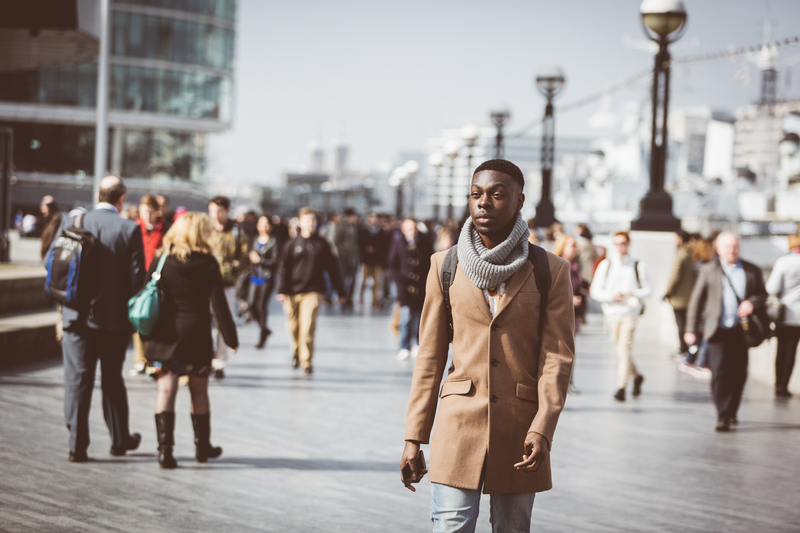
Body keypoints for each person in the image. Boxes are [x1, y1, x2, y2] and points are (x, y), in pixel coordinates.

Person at [400, 159, 575, 533]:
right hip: (457, 424)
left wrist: (543, 428)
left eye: (498, 195)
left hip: (520, 431)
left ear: (519, 201)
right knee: (451, 526)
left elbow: (557, 358)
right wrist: (414, 436)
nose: (484, 203)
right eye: (476, 194)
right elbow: (430, 357)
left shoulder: (550, 270)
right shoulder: (444, 265)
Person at [59, 176, 145, 462]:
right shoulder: (129, 229)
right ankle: (119, 440)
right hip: (112, 320)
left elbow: (57, 267)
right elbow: (137, 281)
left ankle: (76, 444)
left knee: (77, 379)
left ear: (98, 194)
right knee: (112, 380)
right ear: (122, 198)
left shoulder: (74, 223)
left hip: (75, 316)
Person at [144, 213, 239, 468]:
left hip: (166, 335)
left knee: (166, 390)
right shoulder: (208, 263)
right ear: (199, 233)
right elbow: (219, 306)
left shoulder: (163, 259)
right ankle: (202, 448)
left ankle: (165, 451)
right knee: (199, 390)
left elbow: (146, 291)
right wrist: (231, 338)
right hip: (196, 335)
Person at [685, 232, 768, 431]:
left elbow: (762, 295)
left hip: (742, 330)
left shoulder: (751, 270)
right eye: (728, 246)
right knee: (719, 373)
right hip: (717, 330)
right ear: (718, 249)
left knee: (739, 373)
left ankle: (732, 411)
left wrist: (750, 303)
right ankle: (722, 414)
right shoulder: (708, 270)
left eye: (735, 246)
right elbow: (696, 300)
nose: (732, 250)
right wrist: (690, 329)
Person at [277, 207, 345, 374]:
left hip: (314, 291)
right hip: (292, 291)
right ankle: (296, 350)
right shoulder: (291, 244)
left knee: (307, 327)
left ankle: (306, 361)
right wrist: (282, 289)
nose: (310, 224)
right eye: (307, 220)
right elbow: (283, 268)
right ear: (300, 222)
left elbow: (333, 269)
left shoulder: (322, 244)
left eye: (313, 221)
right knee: (293, 327)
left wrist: (340, 291)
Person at [590, 231, 651, 401]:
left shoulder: (638, 265)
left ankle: (621, 386)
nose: (620, 247)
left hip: (630, 313)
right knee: (621, 351)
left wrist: (633, 293)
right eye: (616, 243)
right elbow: (595, 291)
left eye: (623, 243)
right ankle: (637, 376)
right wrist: (611, 296)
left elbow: (648, 289)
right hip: (612, 313)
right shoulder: (606, 265)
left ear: (628, 244)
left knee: (625, 349)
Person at [207, 196, 248, 379]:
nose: (216, 215)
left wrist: (233, 268)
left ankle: (219, 362)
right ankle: (206, 356)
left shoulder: (237, 232)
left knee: (221, 322)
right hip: (205, 285)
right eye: (212, 211)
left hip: (226, 284)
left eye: (220, 211)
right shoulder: (206, 231)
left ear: (227, 211)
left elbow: (246, 257)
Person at [130, 194, 167, 376]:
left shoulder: (166, 228)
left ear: (157, 212)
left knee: (155, 318)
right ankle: (140, 359)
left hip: (157, 279)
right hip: (138, 278)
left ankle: (152, 358)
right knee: (138, 316)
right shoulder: (134, 228)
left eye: (150, 212)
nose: (146, 216)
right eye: (143, 211)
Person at [387, 217, 432, 361]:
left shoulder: (425, 243)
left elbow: (431, 262)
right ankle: (404, 346)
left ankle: (417, 343)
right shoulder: (398, 244)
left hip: (421, 287)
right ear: (403, 229)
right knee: (405, 317)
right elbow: (392, 265)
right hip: (405, 289)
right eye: (409, 228)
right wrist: (400, 280)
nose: (412, 231)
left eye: (414, 227)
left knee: (420, 318)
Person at [765, 234, 800, 397]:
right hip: (798, 317)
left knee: (781, 349)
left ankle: (778, 383)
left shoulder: (784, 262)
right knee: (791, 350)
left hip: (784, 314)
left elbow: (771, 287)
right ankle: (785, 385)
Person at [554, 234, 585, 394]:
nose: (575, 247)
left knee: (570, 349)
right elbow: (552, 290)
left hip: (574, 314)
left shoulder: (576, 266)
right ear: (563, 246)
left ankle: (568, 382)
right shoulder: (557, 264)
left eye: (575, 245)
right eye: (571, 245)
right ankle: (558, 381)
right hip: (559, 314)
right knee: (559, 349)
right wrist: (569, 299)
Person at [248, 216, 279, 349]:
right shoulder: (255, 239)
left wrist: (259, 260)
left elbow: (275, 261)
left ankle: (262, 335)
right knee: (251, 304)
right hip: (255, 275)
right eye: (260, 223)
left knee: (261, 306)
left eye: (266, 224)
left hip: (267, 277)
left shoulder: (274, 241)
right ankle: (264, 328)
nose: (263, 226)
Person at [664, 230, 695, 360]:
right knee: (689, 325)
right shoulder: (692, 252)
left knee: (681, 325)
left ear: (681, 238)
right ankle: (689, 351)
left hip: (680, 297)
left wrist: (668, 292)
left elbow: (675, 276)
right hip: (691, 296)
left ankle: (683, 350)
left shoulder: (681, 254)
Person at [358, 212, 389, 308]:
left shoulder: (381, 232)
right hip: (366, 260)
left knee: (377, 282)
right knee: (363, 281)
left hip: (377, 260)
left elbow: (384, 246)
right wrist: (365, 249)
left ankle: (375, 301)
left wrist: (376, 250)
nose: (373, 220)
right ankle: (361, 298)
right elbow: (360, 243)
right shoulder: (364, 231)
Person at [332, 208, 360, 310]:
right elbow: (336, 241)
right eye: (354, 216)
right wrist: (345, 250)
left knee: (353, 278)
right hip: (343, 257)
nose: (355, 218)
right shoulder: (341, 227)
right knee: (343, 278)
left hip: (353, 257)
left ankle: (349, 298)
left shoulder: (354, 227)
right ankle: (343, 298)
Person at [39, 195, 62, 261]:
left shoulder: (56, 218)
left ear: (50, 207)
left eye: (43, 204)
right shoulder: (49, 219)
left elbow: (51, 236)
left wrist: (46, 250)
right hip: (47, 252)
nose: (41, 207)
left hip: (50, 253)